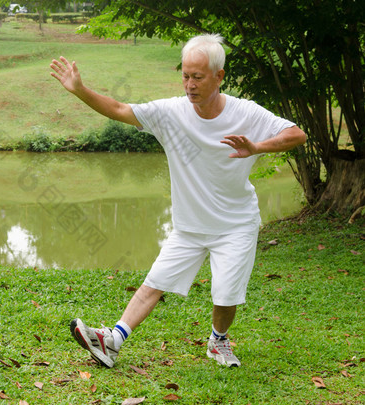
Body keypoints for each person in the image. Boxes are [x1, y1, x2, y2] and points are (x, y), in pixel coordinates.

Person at [49, 34, 306, 368]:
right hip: (189, 225)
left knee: (226, 295)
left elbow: (296, 134)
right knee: (154, 283)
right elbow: (119, 109)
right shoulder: (170, 112)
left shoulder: (246, 113)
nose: (189, 84)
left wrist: (257, 147)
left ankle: (218, 341)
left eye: (197, 77)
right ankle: (113, 340)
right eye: (185, 75)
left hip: (235, 223)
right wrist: (80, 90)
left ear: (219, 76)